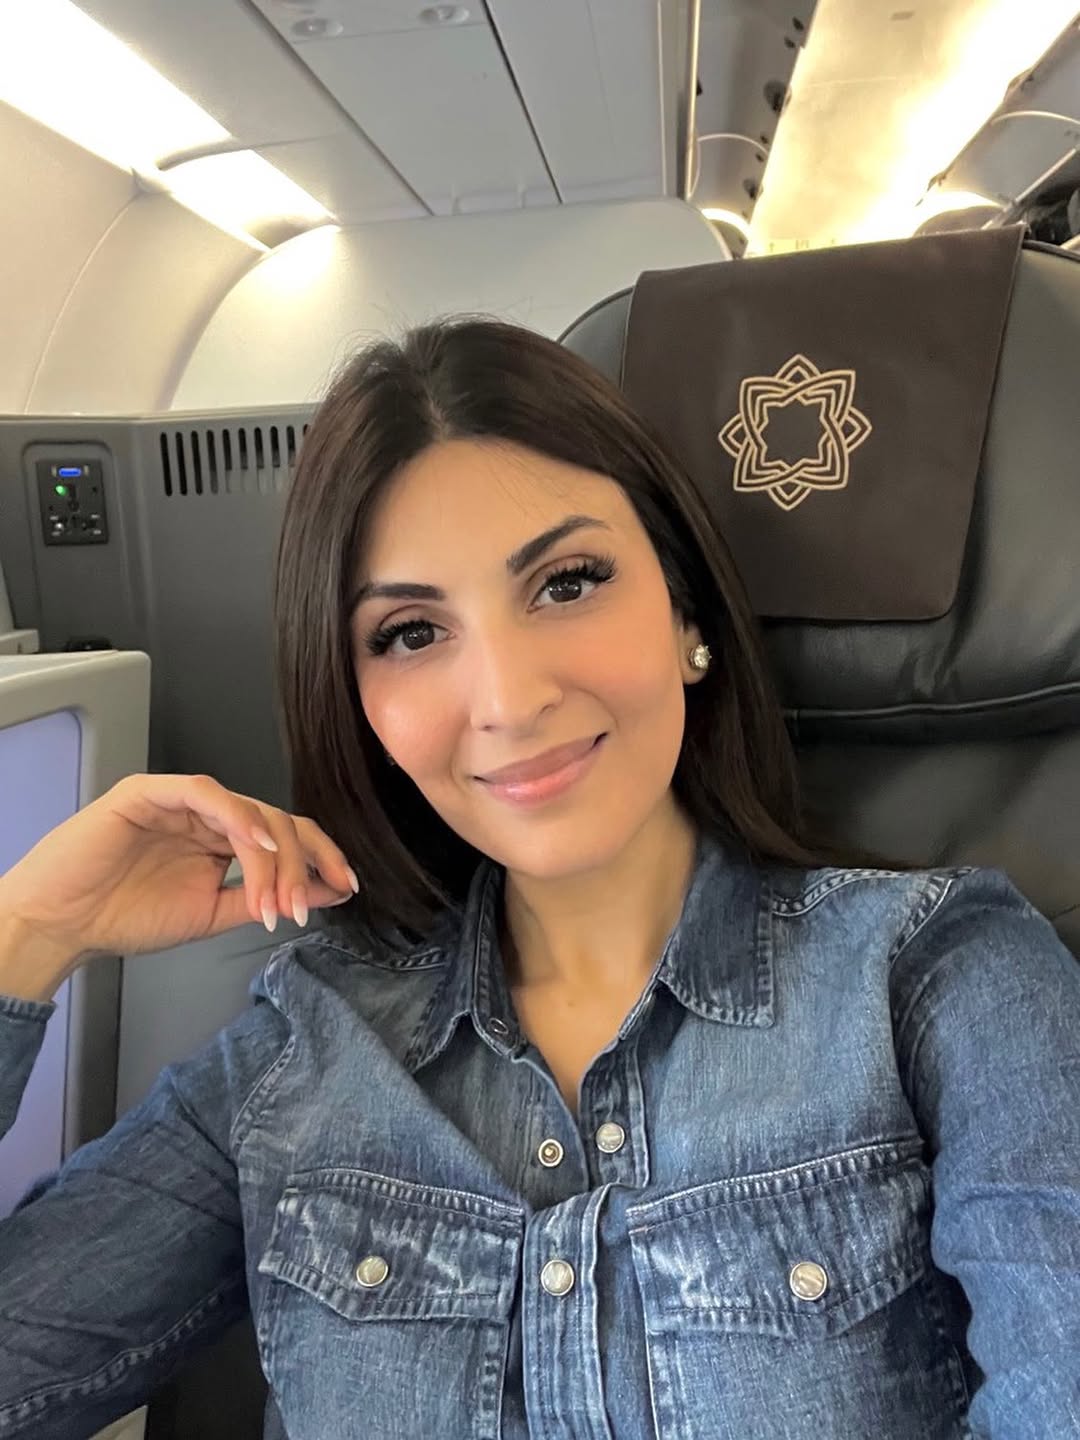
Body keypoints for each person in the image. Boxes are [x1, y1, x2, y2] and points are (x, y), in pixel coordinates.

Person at [0, 318, 1078, 1440]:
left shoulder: (936, 979)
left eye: (568, 583)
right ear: (360, 702)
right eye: (411, 633)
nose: (510, 700)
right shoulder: (304, 1050)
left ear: (687, 614)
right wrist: (28, 932)